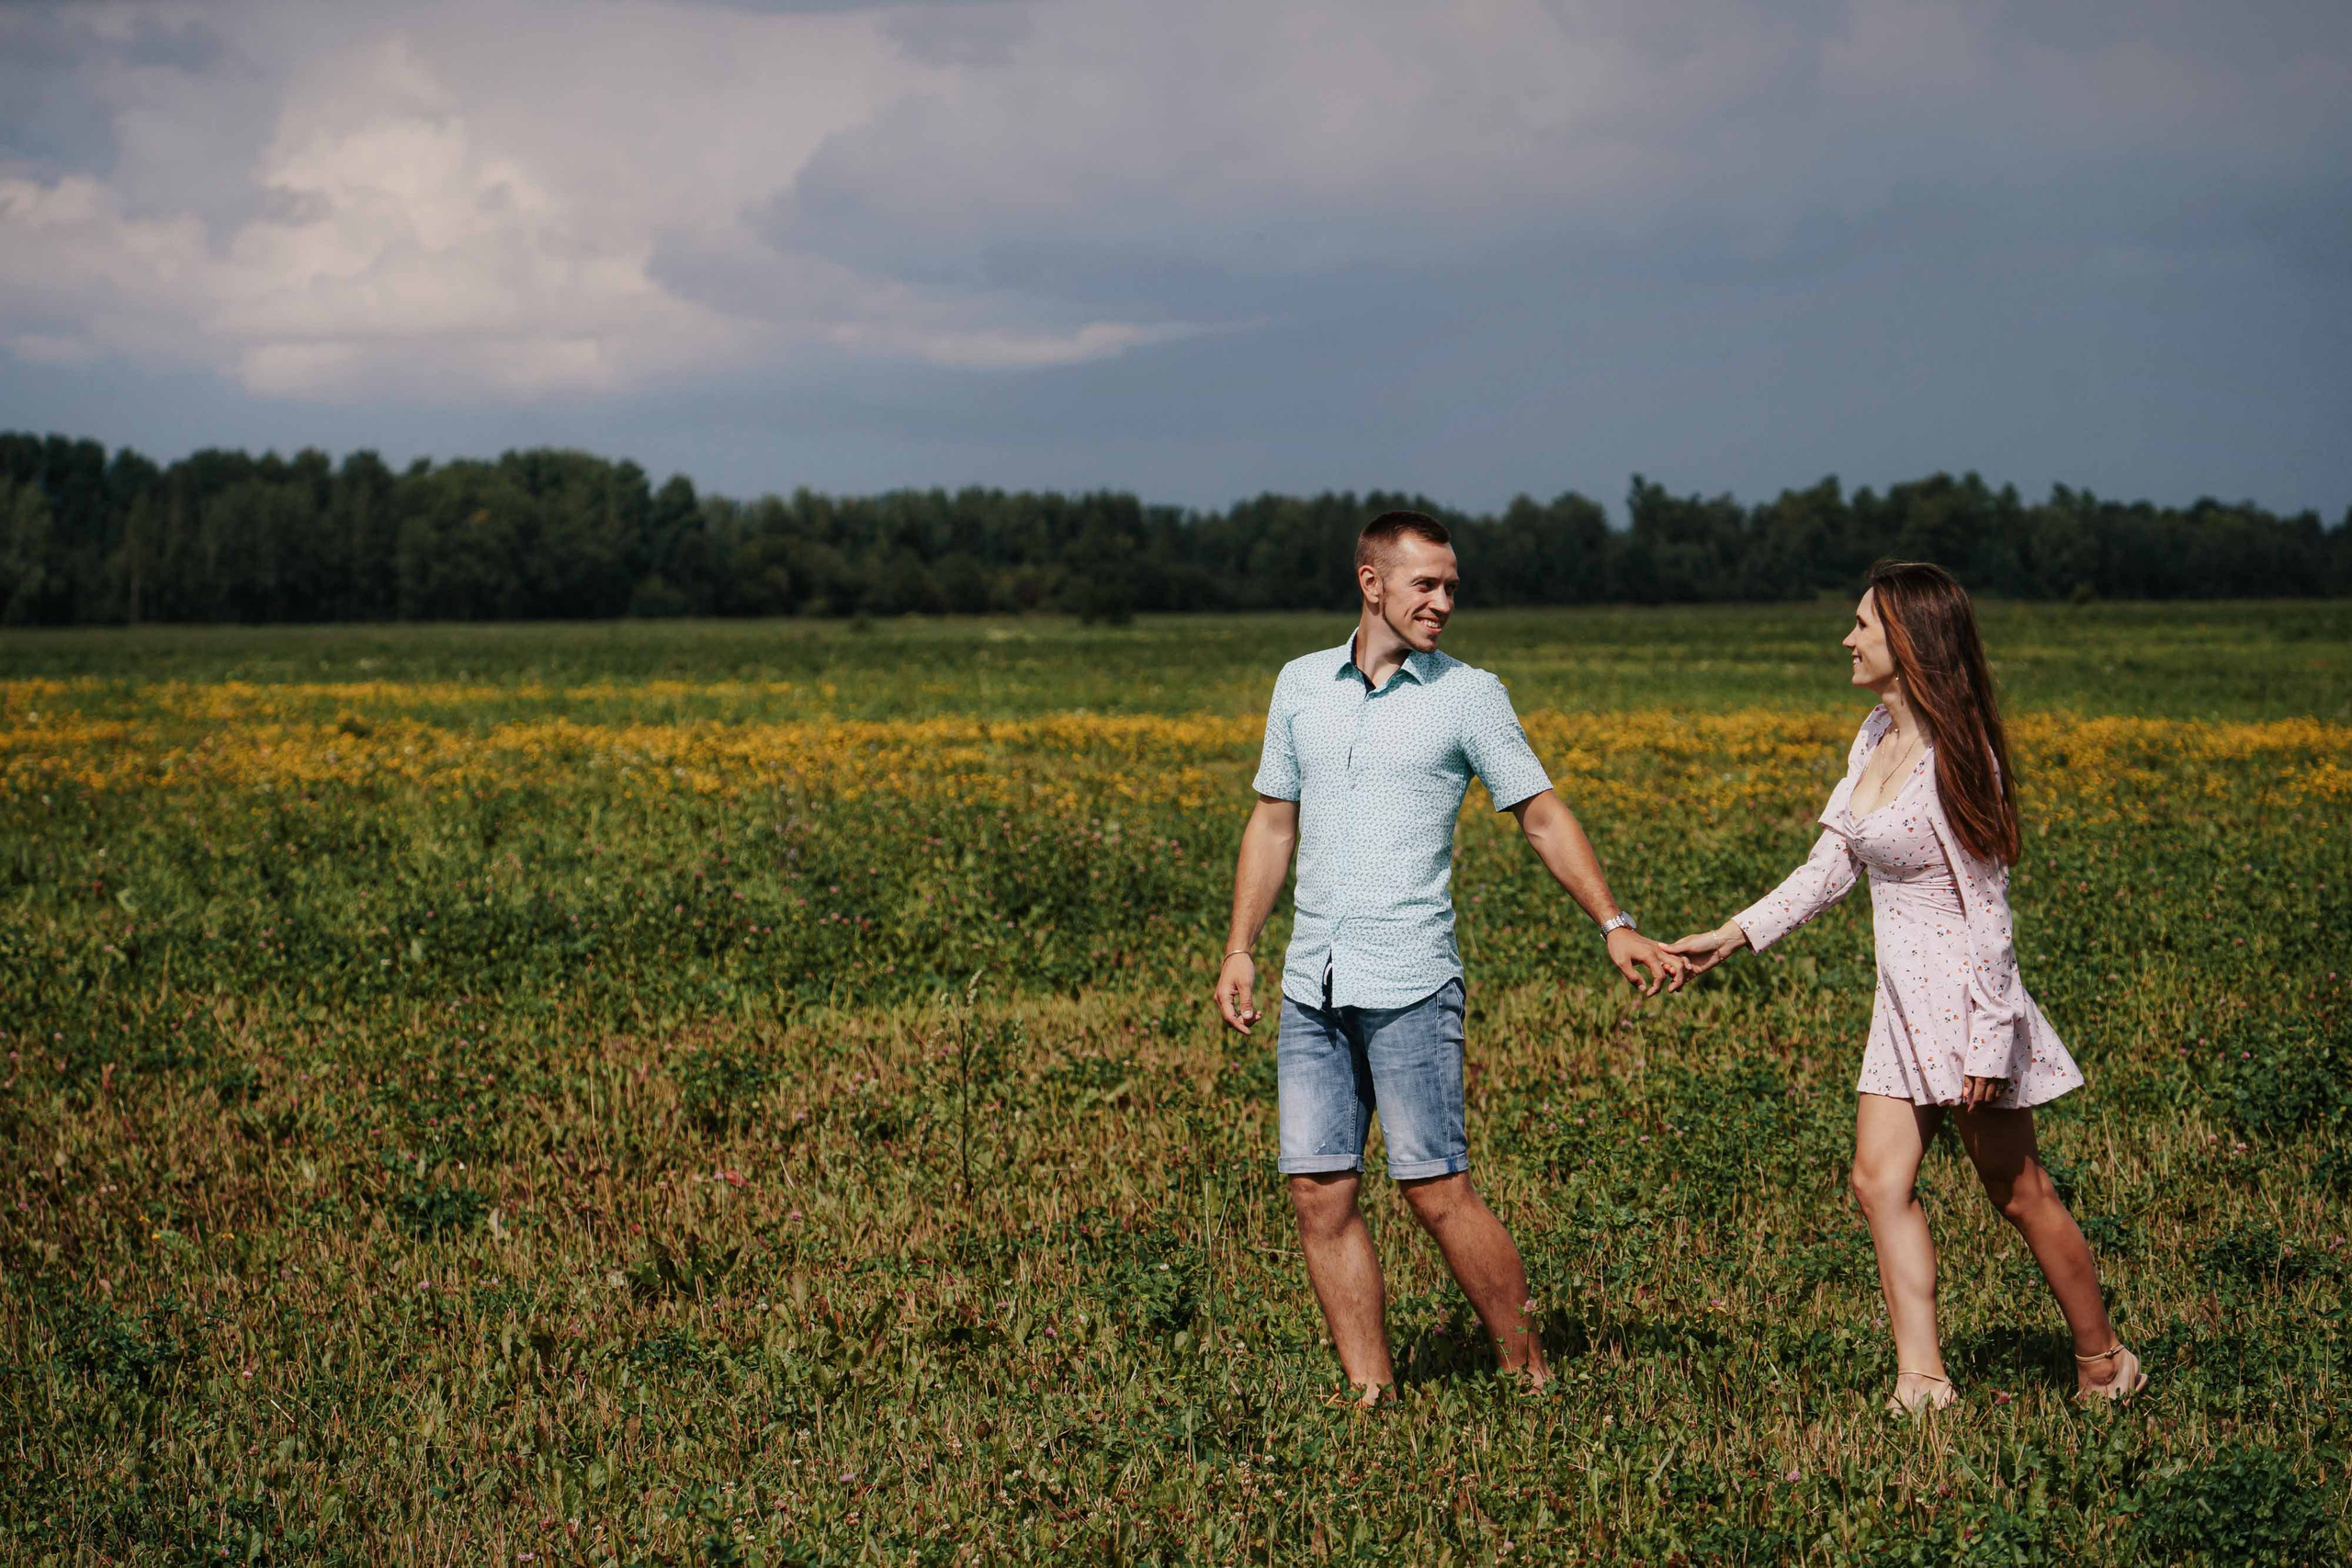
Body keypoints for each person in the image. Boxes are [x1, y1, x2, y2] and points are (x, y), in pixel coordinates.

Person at [1213, 510, 1687, 1407]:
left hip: (1410, 983)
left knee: (1435, 1192)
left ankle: (1527, 1373)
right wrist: (1240, 948)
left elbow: (1540, 813)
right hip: (1310, 982)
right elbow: (1273, 819)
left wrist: (1612, 921)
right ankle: (1372, 1395)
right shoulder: (1300, 685)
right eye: (1425, 584)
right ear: (1371, 583)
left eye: (1450, 586)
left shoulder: (1467, 694)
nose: (1443, 602)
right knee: (1319, 1195)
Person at [1666, 560, 2143, 1412]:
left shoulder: (1961, 759)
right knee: (1877, 1182)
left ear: (1909, 642)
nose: (1847, 638)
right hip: (1900, 1009)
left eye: (1862, 625)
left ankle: (2105, 1358)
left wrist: (1993, 1039)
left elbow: (1989, 912)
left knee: (2020, 1193)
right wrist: (1734, 934)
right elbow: (1830, 866)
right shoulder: (1871, 737)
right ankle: (1922, 1378)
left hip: (1966, 1011)